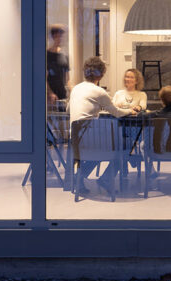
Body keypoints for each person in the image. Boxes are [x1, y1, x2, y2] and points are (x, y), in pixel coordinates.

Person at [69, 57, 127, 195]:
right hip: (90, 140)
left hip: (76, 141)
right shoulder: (99, 91)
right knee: (123, 149)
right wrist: (131, 110)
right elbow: (117, 113)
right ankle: (106, 179)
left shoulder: (76, 88)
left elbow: (68, 109)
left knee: (96, 151)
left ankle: (79, 177)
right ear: (101, 74)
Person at [46, 25, 70, 109]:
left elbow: (67, 78)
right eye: (58, 36)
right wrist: (50, 93)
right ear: (53, 36)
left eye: (61, 36)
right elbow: (44, 77)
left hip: (62, 94)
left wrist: (71, 90)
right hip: (50, 96)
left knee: (62, 119)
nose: (60, 39)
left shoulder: (63, 55)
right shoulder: (47, 55)